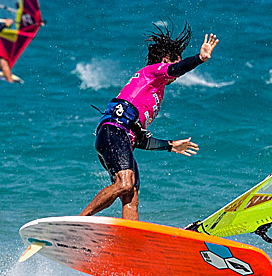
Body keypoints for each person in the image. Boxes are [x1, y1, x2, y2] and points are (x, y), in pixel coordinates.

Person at [80, 23, 218, 221]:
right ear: (166, 60)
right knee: (125, 184)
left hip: (123, 139)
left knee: (131, 195)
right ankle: (80, 221)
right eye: (175, 62)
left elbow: (139, 139)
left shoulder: (155, 93)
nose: (177, 75)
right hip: (113, 132)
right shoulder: (152, 72)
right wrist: (200, 58)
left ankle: (129, 235)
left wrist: (169, 145)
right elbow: (176, 68)